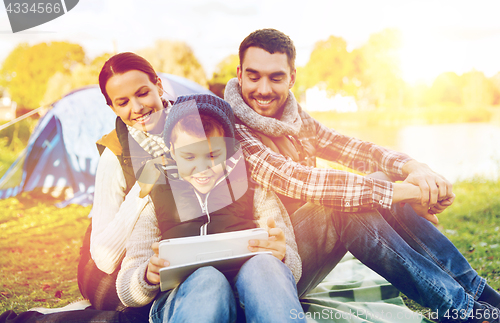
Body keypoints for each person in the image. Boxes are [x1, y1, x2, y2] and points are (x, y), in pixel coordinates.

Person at [223, 28, 500, 323]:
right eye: (254, 76)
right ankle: (464, 313)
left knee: (377, 181)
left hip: (302, 253)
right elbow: (299, 180)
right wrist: (405, 192)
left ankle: (482, 297)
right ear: (239, 74)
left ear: (292, 78)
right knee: (340, 203)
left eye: (275, 77)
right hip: (261, 274)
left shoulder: (292, 116)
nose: (263, 89)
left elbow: (351, 148)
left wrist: (414, 168)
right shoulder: (229, 128)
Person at [0, 52, 167, 322]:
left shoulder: (194, 126)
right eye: (122, 102)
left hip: (163, 256)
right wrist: (145, 186)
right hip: (106, 269)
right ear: (112, 107)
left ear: (158, 86)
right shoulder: (115, 154)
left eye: (143, 93)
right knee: (146, 312)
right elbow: (103, 256)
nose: (136, 107)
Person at [115, 93, 305, 322]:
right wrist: (147, 275)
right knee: (207, 278)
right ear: (173, 150)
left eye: (214, 155)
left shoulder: (254, 186)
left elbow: (293, 269)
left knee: (265, 265)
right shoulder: (154, 193)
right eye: (189, 156)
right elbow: (127, 289)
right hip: (186, 301)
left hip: (248, 297)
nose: (201, 168)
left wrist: (281, 257)